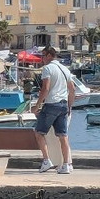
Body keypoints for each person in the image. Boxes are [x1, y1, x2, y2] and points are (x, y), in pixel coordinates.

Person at [32, 46, 77, 174]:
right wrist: (69, 106)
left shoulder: (47, 68)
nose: (41, 59)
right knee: (63, 136)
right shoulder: (65, 69)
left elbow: (45, 89)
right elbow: (72, 89)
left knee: (39, 133)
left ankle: (46, 161)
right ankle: (66, 164)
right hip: (63, 105)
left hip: (51, 104)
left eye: (43, 55)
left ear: (49, 56)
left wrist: (37, 105)